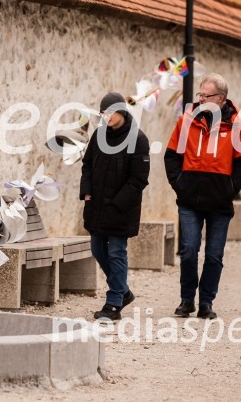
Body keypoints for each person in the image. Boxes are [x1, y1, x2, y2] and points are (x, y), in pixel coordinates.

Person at [165, 74, 241, 320]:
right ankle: (186, 300)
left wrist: (228, 190)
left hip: (220, 204)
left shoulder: (237, 124)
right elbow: (171, 156)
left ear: (220, 98)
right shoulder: (186, 121)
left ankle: (206, 302)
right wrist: (180, 185)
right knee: (189, 250)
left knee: (214, 255)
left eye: (205, 95)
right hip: (189, 201)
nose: (200, 99)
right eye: (199, 95)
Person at [80, 92, 150, 321]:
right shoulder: (98, 135)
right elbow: (87, 165)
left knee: (116, 252)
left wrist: (118, 203)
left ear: (122, 110)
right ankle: (124, 291)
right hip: (97, 206)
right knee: (97, 250)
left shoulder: (138, 139)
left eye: (110, 112)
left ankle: (113, 303)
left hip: (121, 209)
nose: (107, 117)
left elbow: (138, 179)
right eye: (103, 113)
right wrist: (87, 193)